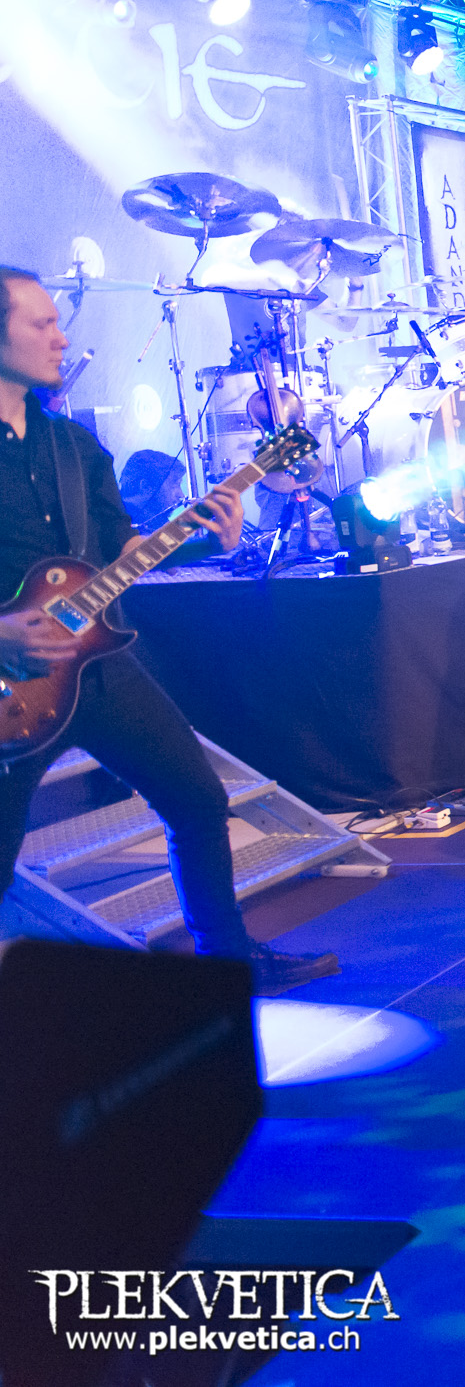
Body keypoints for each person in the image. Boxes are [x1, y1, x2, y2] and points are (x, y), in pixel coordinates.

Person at [0, 271, 336, 991]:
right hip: (10, 688)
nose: (62, 338)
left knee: (196, 800)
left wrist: (204, 538)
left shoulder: (71, 446)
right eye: (41, 324)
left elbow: (117, 550)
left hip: (96, 665)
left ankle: (227, 962)